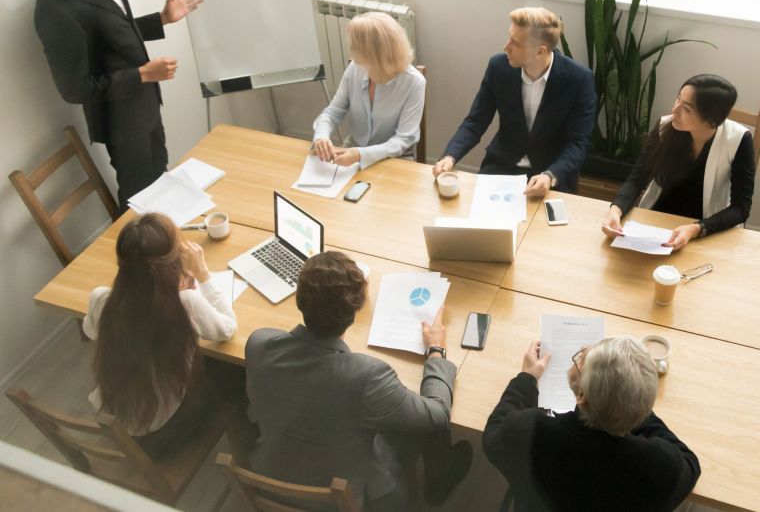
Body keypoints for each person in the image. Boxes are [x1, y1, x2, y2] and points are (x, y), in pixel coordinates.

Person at [245, 251, 471, 510]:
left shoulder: (259, 343)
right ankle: (439, 483)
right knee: (426, 427)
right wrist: (435, 352)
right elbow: (438, 414)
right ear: (356, 309)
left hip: (272, 470)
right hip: (349, 495)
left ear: (299, 300)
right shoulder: (366, 376)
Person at [35, 0, 203, 210]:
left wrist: (162, 19)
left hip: (145, 108)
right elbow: (74, 89)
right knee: (140, 204)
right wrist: (142, 74)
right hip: (122, 125)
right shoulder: (54, 8)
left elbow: (109, 33)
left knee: (161, 190)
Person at [483, 337, 700, 511]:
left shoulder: (529, 431)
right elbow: (690, 462)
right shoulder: (659, 467)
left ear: (582, 397)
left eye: (581, 361)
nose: (580, 356)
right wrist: (632, 401)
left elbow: (493, 432)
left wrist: (526, 378)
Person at [82, 213, 237, 459]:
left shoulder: (101, 298)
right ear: (173, 261)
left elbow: (91, 331)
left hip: (118, 418)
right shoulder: (184, 302)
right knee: (236, 370)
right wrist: (204, 274)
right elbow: (227, 328)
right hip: (163, 435)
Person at [432, 7, 596, 196]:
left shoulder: (579, 80)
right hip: (501, 167)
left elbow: (578, 143)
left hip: (550, 174)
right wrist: (450, 156)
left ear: (539, 51)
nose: (505, 47)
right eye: (509, 37)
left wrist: (550, 175)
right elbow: (475, 121)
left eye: (515, 43)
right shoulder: (498, 67)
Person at [603, 74, 755, 251]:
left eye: (687, 108)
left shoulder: (738, 140)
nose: (675, 110)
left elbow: (741, 208)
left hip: (706, 228)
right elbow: (636, 180)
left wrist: (695, 229)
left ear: (712, 120)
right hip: (655, 223)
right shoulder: (664, 127)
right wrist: (615, 210)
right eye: (678, 99)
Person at [311, 11, 425, 169]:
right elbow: (332, 112)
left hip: (393, 159)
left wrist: (361, 154)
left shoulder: (414, 83)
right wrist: (321, 136)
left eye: (355, 45)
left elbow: (403, 140)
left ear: (373, 52)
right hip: (352, 152)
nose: (350, 49)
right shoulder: (355, 68)